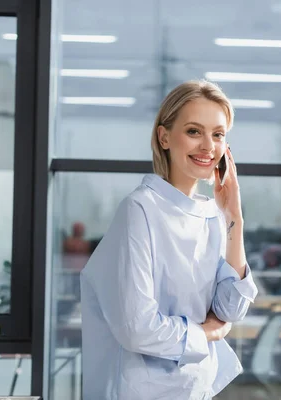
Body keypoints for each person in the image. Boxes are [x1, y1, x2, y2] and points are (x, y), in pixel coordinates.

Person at [79, 80, 258, 400]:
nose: (208, 146)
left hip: (197, 387)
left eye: (217, 134)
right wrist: (206, 333)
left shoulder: (213, 215)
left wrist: (234, 217)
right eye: (193, 131)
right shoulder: (140, 210)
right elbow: (137, 327)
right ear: (164, 137)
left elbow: (230, 308)